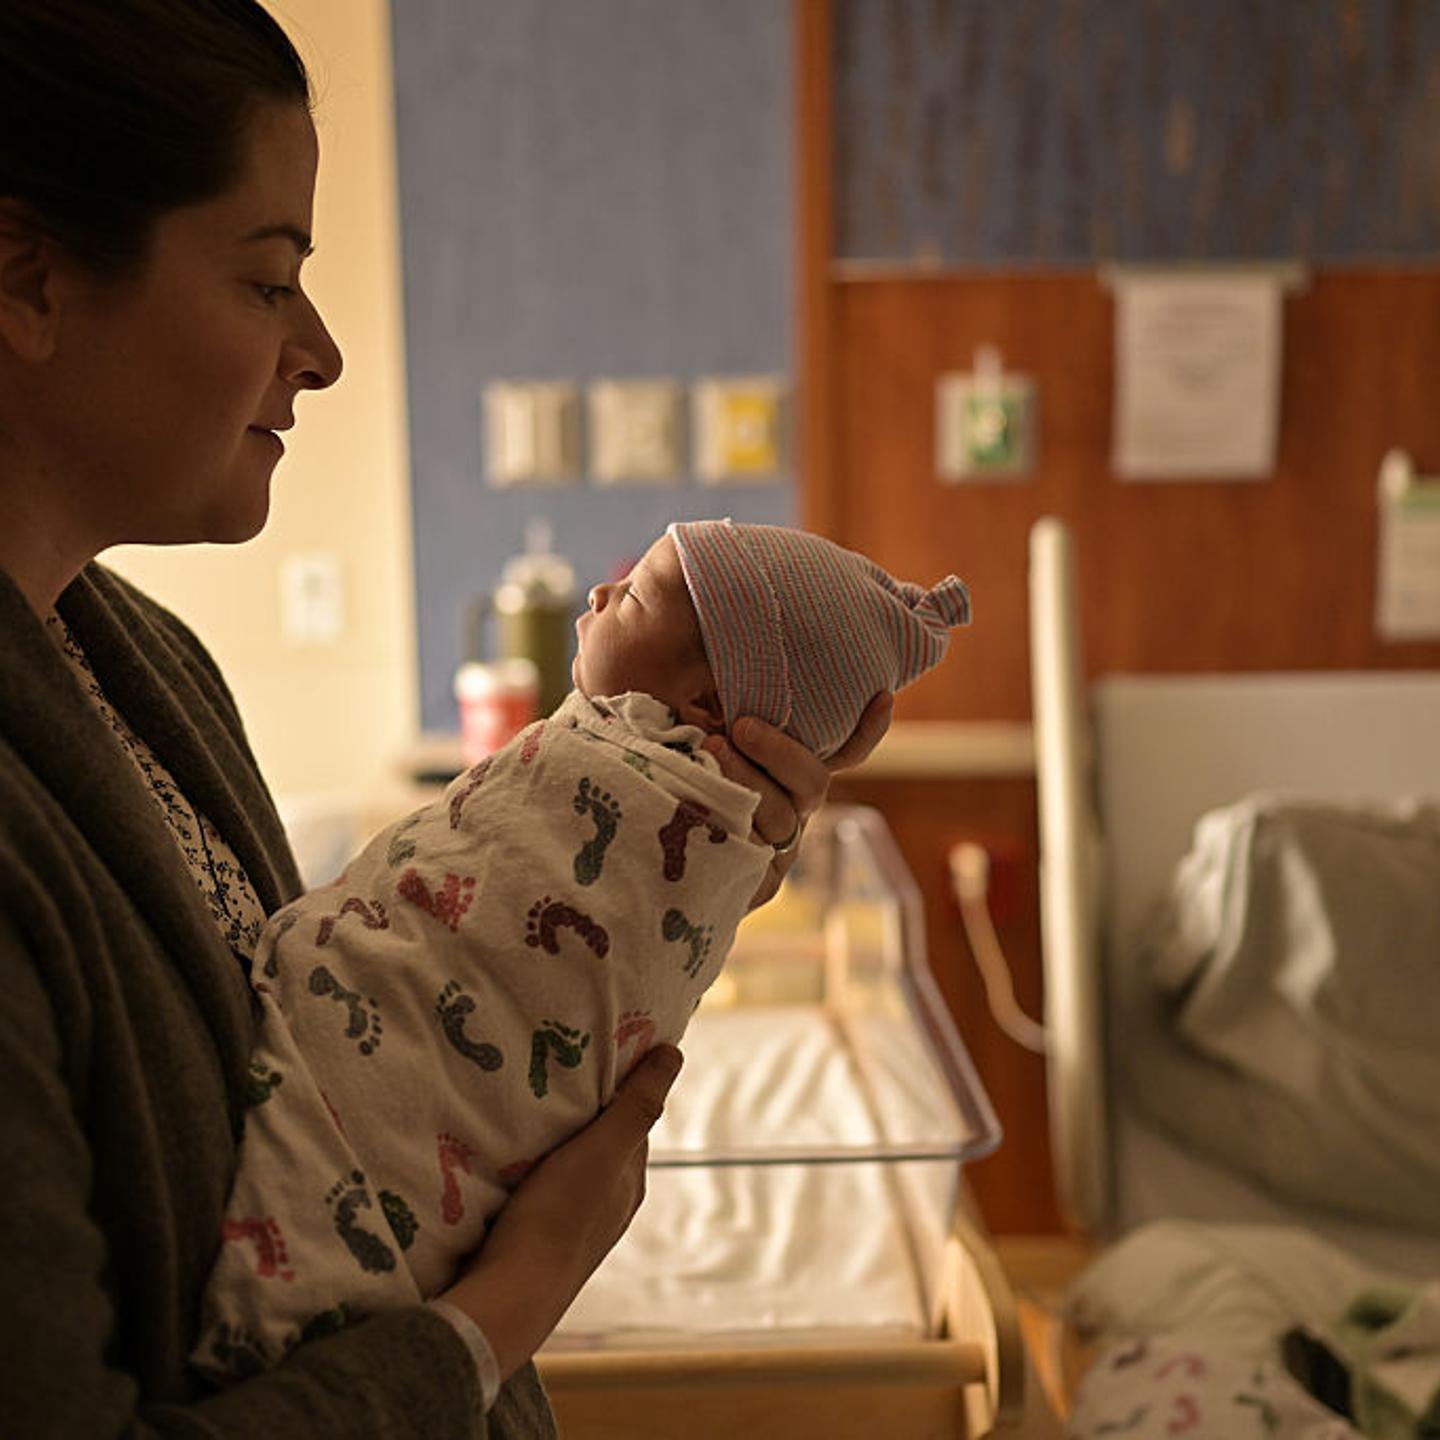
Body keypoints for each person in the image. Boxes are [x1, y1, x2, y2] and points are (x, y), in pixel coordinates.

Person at [0, 3, 891, 1436]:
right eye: (265, 281)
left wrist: (666, 859)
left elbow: (351, 1047)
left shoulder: (143, 666)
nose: (323, 351)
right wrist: (511, 1302)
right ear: (28, 276)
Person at [193, 520, 970, 1382]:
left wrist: (734, 862)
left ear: (707, 704)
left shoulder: (645, 788)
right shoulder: (626, 768)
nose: (598, 598)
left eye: (632, 594)